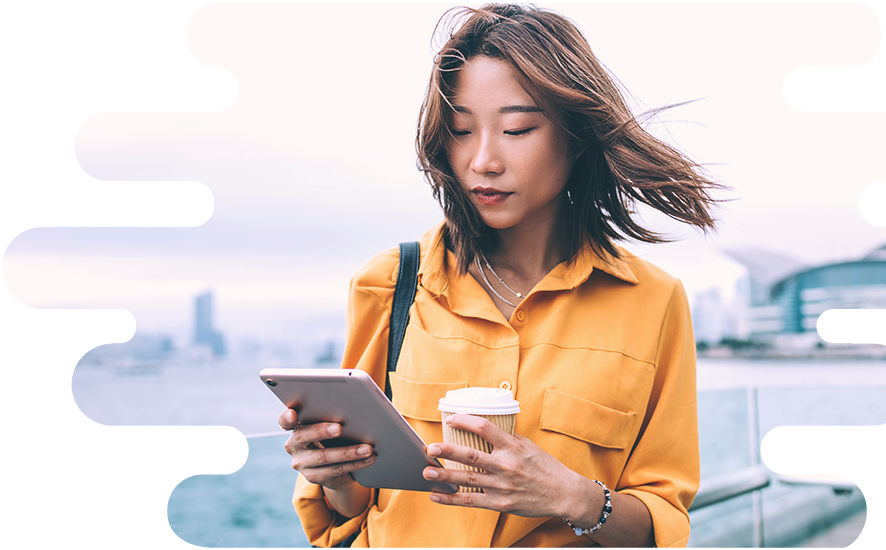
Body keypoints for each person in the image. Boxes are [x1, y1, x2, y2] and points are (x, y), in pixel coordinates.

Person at [278, 4, 721, 547]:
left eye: (516, 128)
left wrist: (573, 497)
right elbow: (349, 514)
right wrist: (334, 476)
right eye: (461, 130)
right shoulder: (389, 283)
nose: (482, 160)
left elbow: (661, 525)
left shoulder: (653, 301)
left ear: (576, 136)